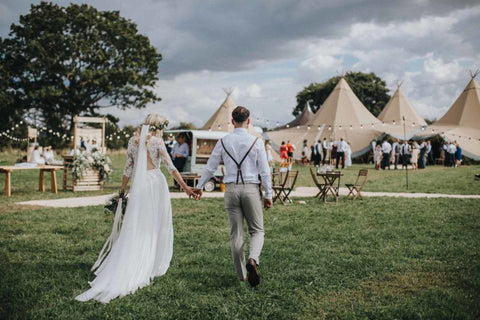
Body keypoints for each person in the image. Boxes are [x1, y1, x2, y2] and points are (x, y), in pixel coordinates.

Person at [75, 114, 199, 303]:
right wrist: (186, 188)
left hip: (139, 185)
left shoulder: (133, 142)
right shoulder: (157, 142)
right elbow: (171, 167)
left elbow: (127, 169)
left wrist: (122, 191)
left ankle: (138, 258)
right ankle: (150, 263)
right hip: (155, 184)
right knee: (156, 223)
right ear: (158, 126)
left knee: (138, 222)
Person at [194, 106, 272, 287]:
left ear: (232, 121)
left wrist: (199, 186)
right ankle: (253, 259)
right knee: (257, 230)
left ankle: (242, 275)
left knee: (236, 234)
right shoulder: (256, 142)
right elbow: (265, 172)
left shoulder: (223, 142)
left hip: (230, 190)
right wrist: (268, 194)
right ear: (249, 121)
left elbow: (210, 167)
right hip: (251, 189)